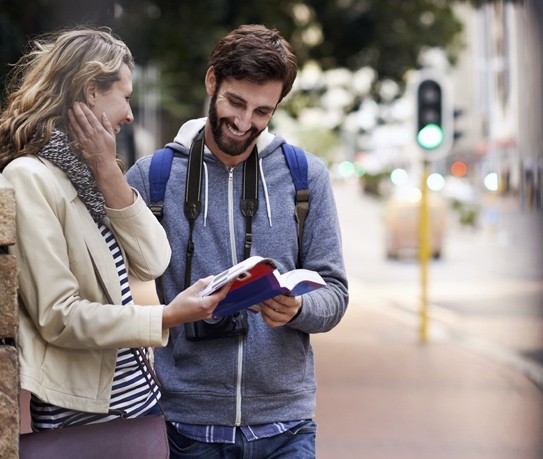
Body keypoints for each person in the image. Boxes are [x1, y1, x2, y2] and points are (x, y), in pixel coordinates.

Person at [126, 24, 349, 457]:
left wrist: (299, 309)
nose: (245, 123)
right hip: (187, 429)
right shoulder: (153, 178)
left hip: (286, 427)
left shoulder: (305, 177)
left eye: (263, 112)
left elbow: (336, 293)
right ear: (213, 81)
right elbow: (112, 288)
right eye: (236, 102)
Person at [0, 28, 231, 431]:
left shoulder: (90, 173)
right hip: (86, 418)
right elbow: (60, 316)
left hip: (137, 403)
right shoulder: (29, 178)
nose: (129, 114)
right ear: (91, 90)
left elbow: (154, 259)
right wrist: (165, 317)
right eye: (124, 96)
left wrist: (108, 171)